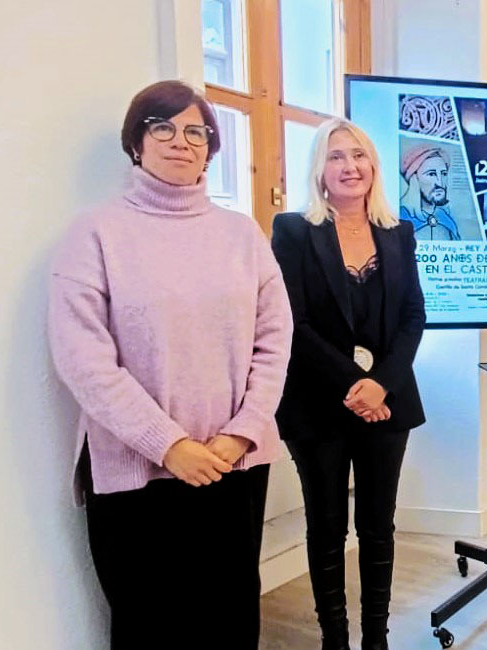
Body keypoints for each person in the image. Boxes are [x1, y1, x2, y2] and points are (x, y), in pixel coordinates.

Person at [48, 80, 293, 650]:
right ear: (136, 142)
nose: (180, 142)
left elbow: (274, 340)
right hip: (135, 472)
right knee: (149, 623)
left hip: (232, 464)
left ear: (210, 147)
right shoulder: (95, 232)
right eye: (163, 127)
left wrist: (243, 433)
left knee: (229, 618)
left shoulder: (243, 234)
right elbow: (82, 358)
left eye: (196, 132)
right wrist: (168, 444)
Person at [272, 118, 426, 650]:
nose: (350, 166)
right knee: (327, 527)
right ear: (320, 168)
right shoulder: (293, 231)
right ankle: (334, 640)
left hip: (389, 401)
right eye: (337, 156)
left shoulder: (399, 233)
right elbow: (292, 322)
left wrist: (381, 384)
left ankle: (376, 639)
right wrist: (357, 385)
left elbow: (412, 318)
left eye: (359, 156)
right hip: (316, 401)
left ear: (374, 167)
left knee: (378, 526)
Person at [398, 145, 461, 240]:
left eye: (443, 174)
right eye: (431, 174)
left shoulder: (445, 219)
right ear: (414, 179)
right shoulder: (400, 217)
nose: (440, 182)